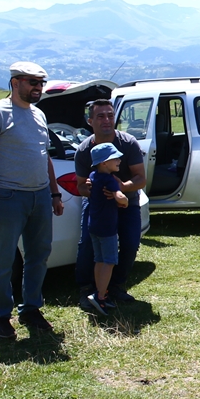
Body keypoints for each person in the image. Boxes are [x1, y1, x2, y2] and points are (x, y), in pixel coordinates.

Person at [0, 61, 65, 339]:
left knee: (39, 255)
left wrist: (54, 193)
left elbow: (44, 157)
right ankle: (0, 316)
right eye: (32, 82)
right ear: (15, 82)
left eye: (41, 83)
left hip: (40, 196)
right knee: (3, 259)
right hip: (8, 195)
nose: (38, 88)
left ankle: (31, 309)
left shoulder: (39, 114)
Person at [75, 99, 146, 309]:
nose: (107, 120)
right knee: (87, 245)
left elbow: (141, 178)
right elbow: (80, 186)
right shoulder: (84, 150)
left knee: (130, 243)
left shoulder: (129, 143)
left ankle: (116, 286)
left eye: (110, 115)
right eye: (101, 116)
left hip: (128, 202)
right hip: (98, 207)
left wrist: (121, 187)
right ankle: (86, 289)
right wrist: (91, 189)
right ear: (90, 121)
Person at [84, 143, 129, 315]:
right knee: (109, 261)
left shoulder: (93, 175)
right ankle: (100, 296)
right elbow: (120, 197)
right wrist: (124, 201)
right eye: (115, 158)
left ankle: (99, 293)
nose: (119, 161)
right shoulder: (109, 180)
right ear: (104, 163)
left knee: (99, 259)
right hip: (107, 228)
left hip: (94, 225)